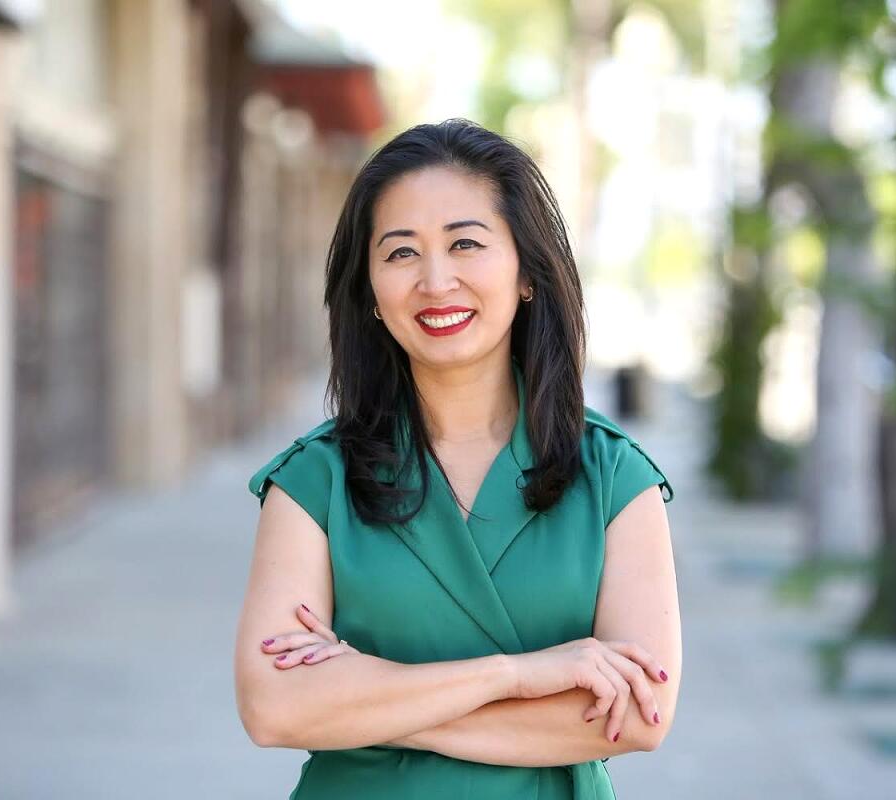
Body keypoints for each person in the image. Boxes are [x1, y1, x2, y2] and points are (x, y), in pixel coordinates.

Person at [234, 118, 681, 800]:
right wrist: (517, 675)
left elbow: (637, 718)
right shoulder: (313, 481)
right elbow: (273, 709)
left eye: (465, 243)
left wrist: (366, 702)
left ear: (528, 271)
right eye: (400, 253)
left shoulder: (615, 478)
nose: (435, 280)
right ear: (372, 295)